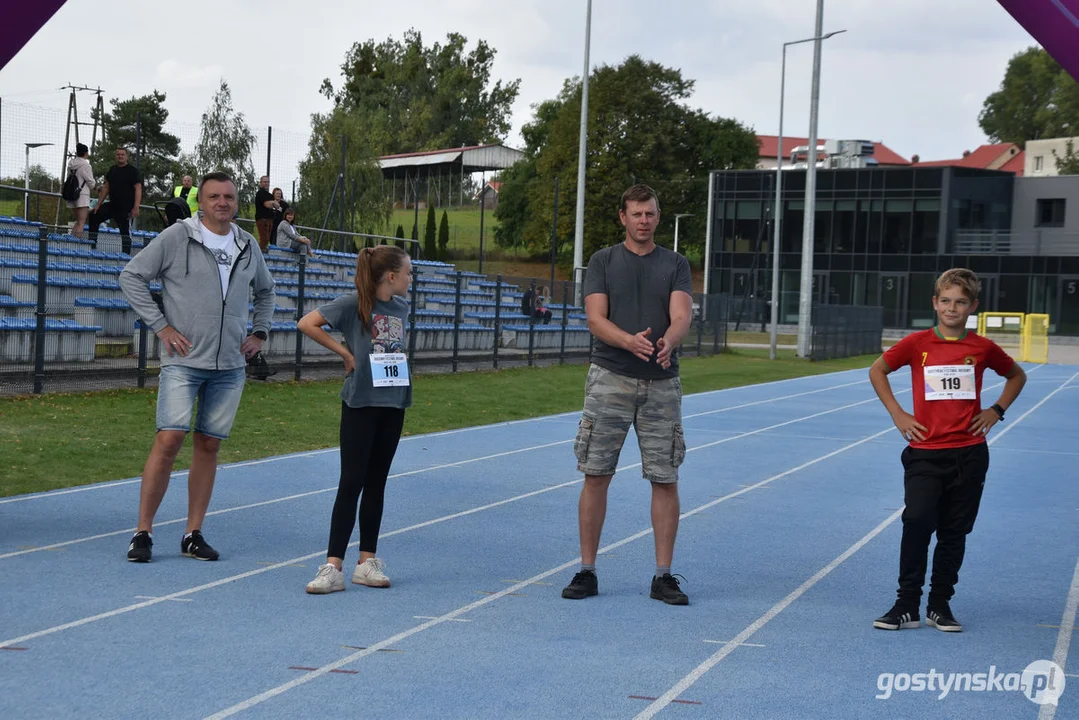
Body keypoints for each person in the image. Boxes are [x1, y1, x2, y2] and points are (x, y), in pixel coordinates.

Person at [118, 171, 276, 563]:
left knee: (208, 444)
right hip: (184, 360)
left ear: (237, 202)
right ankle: (143, 532)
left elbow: (267, 290)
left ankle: (193, 533)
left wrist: (259, 333)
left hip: (230, 365)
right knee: (169, 440)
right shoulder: (177, 236)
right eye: (213, 197)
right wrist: (162, 326)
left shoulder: (246, 243)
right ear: (200, 202)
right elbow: (131, 276)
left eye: (228, 196)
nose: (222, 202)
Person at [869, 268, 1026, 632]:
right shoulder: (916, 344)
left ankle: (939, 604)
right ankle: (906, 603)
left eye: (960, 302)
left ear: (973, 306)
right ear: (935, 304)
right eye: (946, 301)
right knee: (917, 520)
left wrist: (996, 410)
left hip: (969, 453)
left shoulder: (982, 348)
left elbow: (1017, 375)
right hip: (925, 451)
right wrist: (898, 414)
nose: (952, 308)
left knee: (954, 531)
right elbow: (877, 370)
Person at [561, 184, 693, 606]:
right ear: (623, 216)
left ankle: (663, 576)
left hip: (661, 384)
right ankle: (587, 570)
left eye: (650, 213)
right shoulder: (602, 261)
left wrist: (669, 341)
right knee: (595, 474)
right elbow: (595, 320)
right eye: (636, 213)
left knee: (665, 477)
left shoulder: (675, 263)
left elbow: (681, 315)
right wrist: (628, 342)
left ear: (657, 216)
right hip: (610, 379)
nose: (643, 220)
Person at [297, 245, 412, 594]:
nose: (411, 278)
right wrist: (345, 353)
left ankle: (367, 562)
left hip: (393, 404)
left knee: (377, 483)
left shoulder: (402, 307)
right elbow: (307, 323)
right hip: (361, 403)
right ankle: (333, 566)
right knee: (352, 482)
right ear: (391, 276)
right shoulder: (353, 304)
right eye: (408, 272)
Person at [88, 146, 142, 254]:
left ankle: (125, 255)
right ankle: (92, 246)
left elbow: (138, 188)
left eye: (122, 154)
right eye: (118, 154)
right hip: (112, 205)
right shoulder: (112, 170)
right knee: (94, 215)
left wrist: (136, 206)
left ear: (127, 157)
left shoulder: (133, 171)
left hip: (126, 207)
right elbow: (106, 188)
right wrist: (98, 204)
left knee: (125, 231)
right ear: (115, 156)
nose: (120, 156)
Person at [64, 143, 95, 238]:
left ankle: (71, 239)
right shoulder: (86, 165)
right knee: (81, 222)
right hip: (82, 195)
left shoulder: (71, 164)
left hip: (72, 194)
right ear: (86, 153)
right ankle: (76, 242)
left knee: (77, 221)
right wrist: (94, 186)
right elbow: (90, 182)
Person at [254, 175, 279, 252]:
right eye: (264, 182)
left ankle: (262, 252)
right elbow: (267, 205)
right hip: (263, 219)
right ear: (261, 183)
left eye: (268, 182)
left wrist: (274, 203)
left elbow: (278, 207)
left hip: (271, 220)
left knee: (267, 239)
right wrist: (273, 203)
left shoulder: (269, 195)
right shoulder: (260, 193)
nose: (266, 183)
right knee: (264, 239)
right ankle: (260, 254)